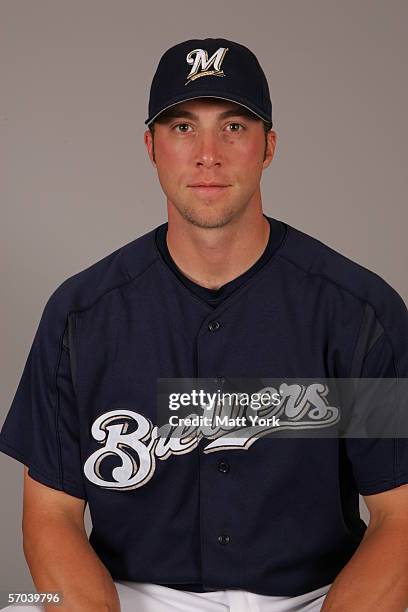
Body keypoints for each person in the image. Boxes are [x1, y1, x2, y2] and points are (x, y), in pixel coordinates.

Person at [1, 37, 408, 612]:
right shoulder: (81, 314)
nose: (207, 154)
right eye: (183, 127)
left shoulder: (357, 312)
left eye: (235, 127)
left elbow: (400, 518)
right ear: (151, 146)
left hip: (316, 598)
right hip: (129, 596)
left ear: (269, 146)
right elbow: (51, 516)